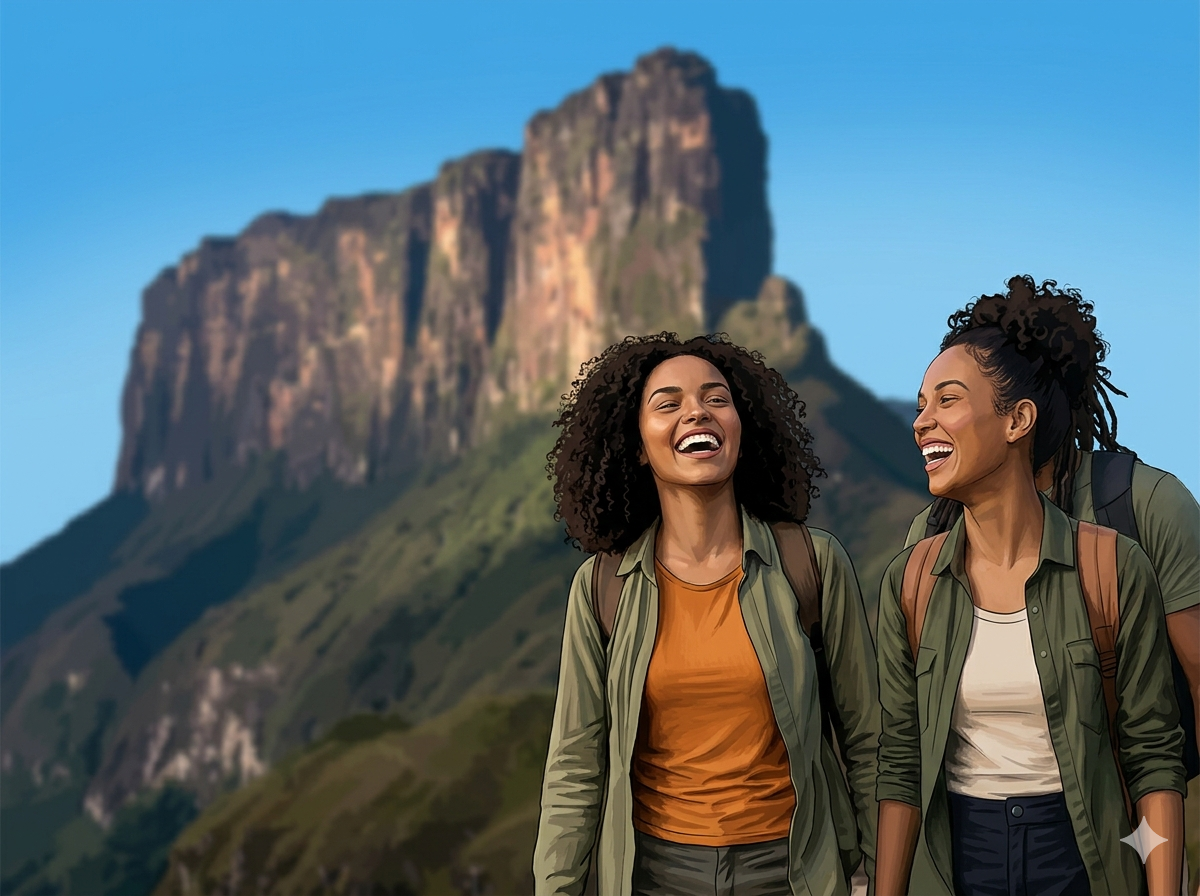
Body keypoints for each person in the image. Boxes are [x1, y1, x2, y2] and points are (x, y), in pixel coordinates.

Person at [532, 333, 880, 896]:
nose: (697, 411)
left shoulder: (810, 564)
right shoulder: (602, 588)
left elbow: (868, 741)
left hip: (794, 871)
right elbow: (575, 767)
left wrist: (884, 873)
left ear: (743, 427)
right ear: (639, 446)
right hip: (655, 875)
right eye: (668, 403)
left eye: (716, 398)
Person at [875, 279, 1187, 895]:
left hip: (1084, 854)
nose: (922, 422)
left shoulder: (1113, 568)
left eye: (947, 400)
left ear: (1017, 419)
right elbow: (900, 768)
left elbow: (1154, 760)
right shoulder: (910, 580)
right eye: (919, 406)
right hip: (961, 855)